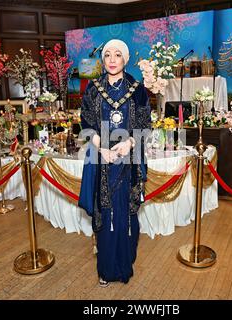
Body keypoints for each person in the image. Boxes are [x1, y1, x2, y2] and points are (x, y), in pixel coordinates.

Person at [78, 39, 151, 287]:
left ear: (125, 59)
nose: (111, 59)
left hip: (128, 161)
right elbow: (86, 124)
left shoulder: (138, 89)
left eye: (117, 55)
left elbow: (145, 125)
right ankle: (106, 269)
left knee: (127, 215)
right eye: (107, 54)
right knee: (105, 213)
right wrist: (102, 149)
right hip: (101, 161)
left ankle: (124, 265)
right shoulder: (92, 88)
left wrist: (129, 143)